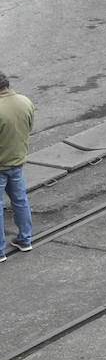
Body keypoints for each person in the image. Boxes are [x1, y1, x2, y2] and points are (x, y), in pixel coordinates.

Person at [0, 71, 35, 263]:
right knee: (20, 200)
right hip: (17, 161)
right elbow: (28, 128)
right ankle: (25, 239)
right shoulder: (24, 101)